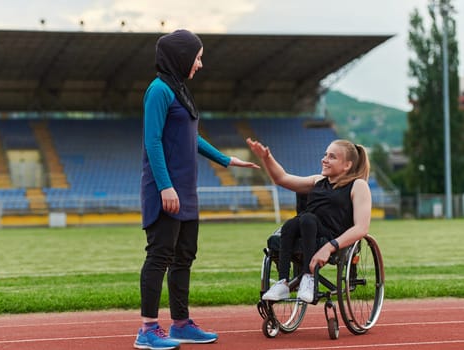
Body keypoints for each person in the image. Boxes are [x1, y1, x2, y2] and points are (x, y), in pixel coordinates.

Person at [136, 29, 260, 350]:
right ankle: (147, 330)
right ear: (181, 56)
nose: (200, 64)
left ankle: (180, 324)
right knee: (160, 255)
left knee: (184, 257)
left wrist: (226, 159)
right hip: (167, 191)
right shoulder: (159, 90)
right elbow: (152, 140)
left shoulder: (180, 91)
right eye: (198, 57)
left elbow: (192, 137)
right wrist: (165, 187)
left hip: (186, 192)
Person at [246, 137, 371, 303]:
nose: (324, 160)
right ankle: (283, 282)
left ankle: (308, 277)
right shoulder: (317, 180)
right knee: (291, 224)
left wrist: (329, 247)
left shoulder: (358, 185)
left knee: (307, 219)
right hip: (308, 228)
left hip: (333, 236)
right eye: (325, 155)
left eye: (332, 157)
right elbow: (281, 179)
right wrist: (266, 157)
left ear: (347, 165)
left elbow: (361, 228)